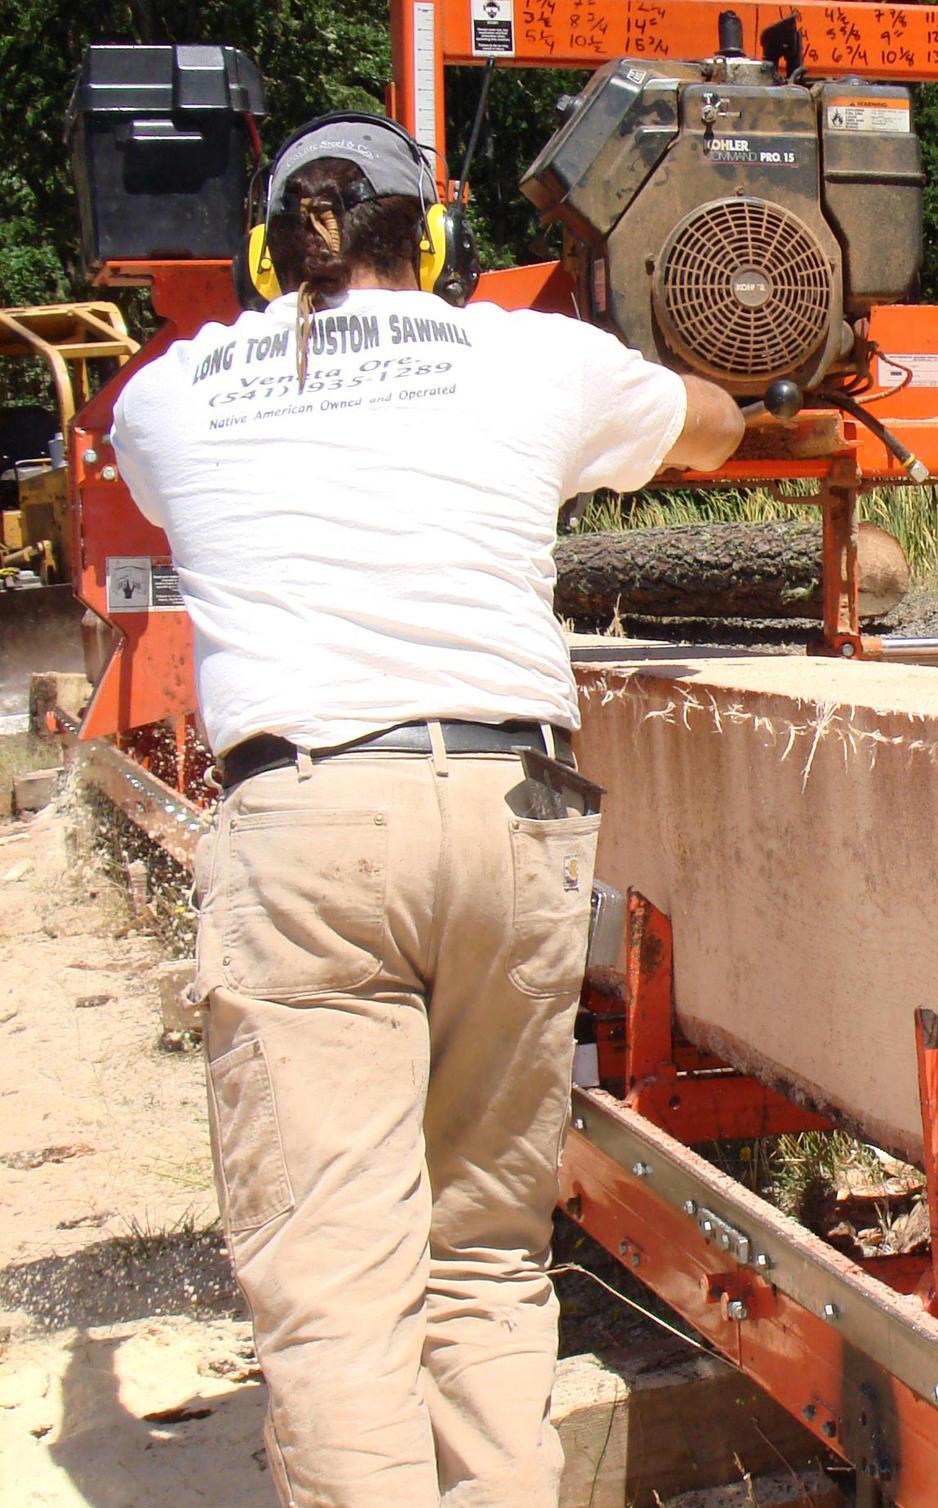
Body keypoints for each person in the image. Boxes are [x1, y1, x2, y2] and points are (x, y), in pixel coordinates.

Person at [109, 115, 744, 1507]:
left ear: (271, 254)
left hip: (311, 822)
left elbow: (159, 490)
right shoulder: (532, 359)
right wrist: (744, 377)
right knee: (484, 1247)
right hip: (512, 816)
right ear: (437, 239)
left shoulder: (170, 390)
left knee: (338, 1279)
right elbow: (715, 428)